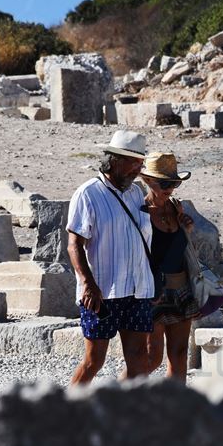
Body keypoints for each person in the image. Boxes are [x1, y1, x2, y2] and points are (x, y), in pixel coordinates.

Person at [66, 130, 155, 385]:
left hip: (137, 290)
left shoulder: (136, 193)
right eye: (133, 162)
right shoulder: (88, 194)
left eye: (140, 163)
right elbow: (74, 245)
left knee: (139, 358)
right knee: (95, 361)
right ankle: (65, 413)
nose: (138, 169)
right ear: (114, 160)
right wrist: (88, 284)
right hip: (103, 292)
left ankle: (127, 419)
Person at [138, 152, 199, 382]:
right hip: (153, 292)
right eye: (165, 183)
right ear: (148, 181)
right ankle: (118, 400)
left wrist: (186, 230)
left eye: (174, 183)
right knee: (152, 358)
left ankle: (177, 411)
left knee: (180, 355)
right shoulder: (141, 212)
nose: (170, 188)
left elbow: (179, 248)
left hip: (181, 288)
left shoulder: (176, 208)